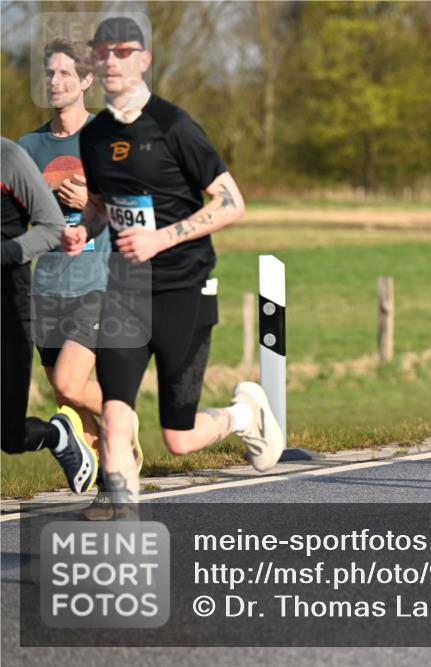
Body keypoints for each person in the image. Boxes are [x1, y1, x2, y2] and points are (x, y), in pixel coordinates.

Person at [64, 17, 284, 517]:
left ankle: (244, 414)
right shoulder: (94, 136)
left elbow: (231, 202)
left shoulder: (173, 126)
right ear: (94, 64)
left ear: (143, 60)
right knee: (117, 420)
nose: (112, 60)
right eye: (103, 52)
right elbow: (102, 205)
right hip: (123, 290)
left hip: (185, 288)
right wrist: (84, 228)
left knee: (178, 439)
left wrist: (161, 237)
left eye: (123, 51)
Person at [17, 39, 144, 487]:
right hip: (45, 286)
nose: (55, 81)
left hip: (97, 282)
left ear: (87, 80)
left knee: (71, 386)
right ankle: (108, 488)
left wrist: (90, 197)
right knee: (71, 410)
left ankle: (123, 415)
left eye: (66, 73)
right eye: (50, 73)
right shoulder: (27, 147)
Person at [1, 137, 96, 493]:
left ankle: (57, 436)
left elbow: (53, 227)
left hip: (8, 305)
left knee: (9, 435)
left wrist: (6, 251)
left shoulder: (8, 156)